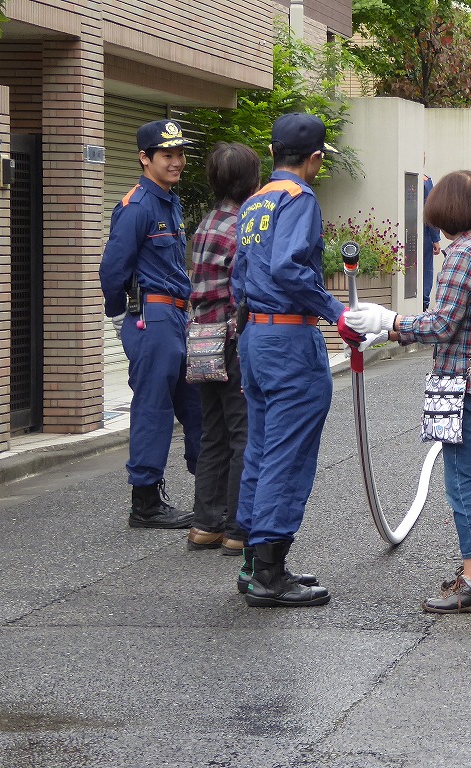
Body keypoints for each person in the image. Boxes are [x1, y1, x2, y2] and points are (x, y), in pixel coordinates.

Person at [344, 170, 471, 614]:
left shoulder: (462, 255)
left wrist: (389, 321)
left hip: (465, 383)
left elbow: (441, 325)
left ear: (448, 210)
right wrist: (390, 331)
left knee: (462, 482)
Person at [231, 112, 362, 608]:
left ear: (272, 152)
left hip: (256, 337)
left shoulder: (255, 201)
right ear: (315, 159)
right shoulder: (299, 197)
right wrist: (336, 311)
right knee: (288, 455)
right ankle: (270, 572)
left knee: (262, 449)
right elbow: (289, 267)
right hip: (289, 340)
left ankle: (254, 564)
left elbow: (241, 277)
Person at [99, 120, 203, 530]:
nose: (177, 161)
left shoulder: (169, 201)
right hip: (153, 317)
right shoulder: (137, 206)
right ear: (145, 158)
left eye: (180, 154)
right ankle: (145, 503)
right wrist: (118, 314)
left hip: (177, 316)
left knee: (197, 404)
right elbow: (113, 269)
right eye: (167, 155)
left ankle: (214, 493)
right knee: (154, 408)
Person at [186, 143, 262, 556]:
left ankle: (205, 525)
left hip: (201, 338)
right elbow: (244, 292)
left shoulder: (206, 223)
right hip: (231, 338)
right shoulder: (242, 227)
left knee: (212, 432)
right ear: (251, 182)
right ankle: (237, 528)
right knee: (243, 434)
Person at [422, 172, 442, 308]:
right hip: (425, 234)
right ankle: (423, 304)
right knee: (426, 271)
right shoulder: (426, 180)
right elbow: (431, 210)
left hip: (406, 233)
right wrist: (436, 239)